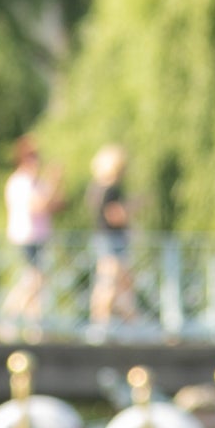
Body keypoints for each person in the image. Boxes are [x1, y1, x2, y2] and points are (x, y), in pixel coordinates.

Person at [1, 136, 61, 339]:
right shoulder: (20, 183)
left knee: (36, 283)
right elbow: (40, 206)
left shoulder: (37, 183)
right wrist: (53, 182)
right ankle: (8, 320)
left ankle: (33, 327)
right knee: (33, 280)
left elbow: (56, 204)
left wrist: (55, 184)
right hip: (25, 237)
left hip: (40, 237)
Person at [87, 144, 136, 337]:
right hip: (112, 240)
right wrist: (134, 206)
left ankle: (123, 320)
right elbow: (114, 215)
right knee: (110, 282)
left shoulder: (96, 188)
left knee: (119, 282)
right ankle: (103, 322)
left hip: (104, 238)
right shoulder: (111, 189)